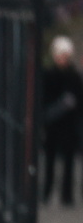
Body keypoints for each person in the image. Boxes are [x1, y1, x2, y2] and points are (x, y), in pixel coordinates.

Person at [42, 36, 83, 206]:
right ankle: (47, 192)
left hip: (69, 126)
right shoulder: (49, 75)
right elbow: (43, 99)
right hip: (53, 125)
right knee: (49, 161)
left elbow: (79, 101)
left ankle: (67, 196)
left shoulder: (74, 76)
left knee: (68, 163)